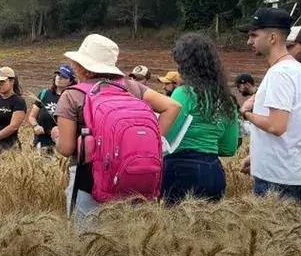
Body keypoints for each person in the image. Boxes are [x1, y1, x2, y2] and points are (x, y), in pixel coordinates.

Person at [52, 34, 181, 226]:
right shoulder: (131, 87)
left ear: (81, 66)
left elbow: (66, 148)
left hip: (88, 181)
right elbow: (173, 106)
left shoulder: (72, 95)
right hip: (132, 175)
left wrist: (56, 136)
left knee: (87, 245)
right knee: (126, 240)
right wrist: (148, 143)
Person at [161, 33, 240, 204]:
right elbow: (229, 148)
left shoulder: (184, 93)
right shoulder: (227, 99)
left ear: (186, 66)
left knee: (176, 227)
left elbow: (166, 137)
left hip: (181, 170)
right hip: (213, 171)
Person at [239, 8, 301, 207]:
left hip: (278, 179)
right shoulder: (297, 70)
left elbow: (277, 126)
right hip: (290, 171)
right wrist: (257, 156)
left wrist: (247, 113)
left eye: (254, 35)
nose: (249, 41)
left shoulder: (280, 74)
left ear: (273, 37)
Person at [28, 64, 75, 155]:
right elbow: (32, 116)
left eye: (63, 77)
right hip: (42, 141)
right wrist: (35, 126)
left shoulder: (72, 98)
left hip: (61, 145)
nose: (59, 78)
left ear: (70, 81)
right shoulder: (44, 94)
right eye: (58, 75)